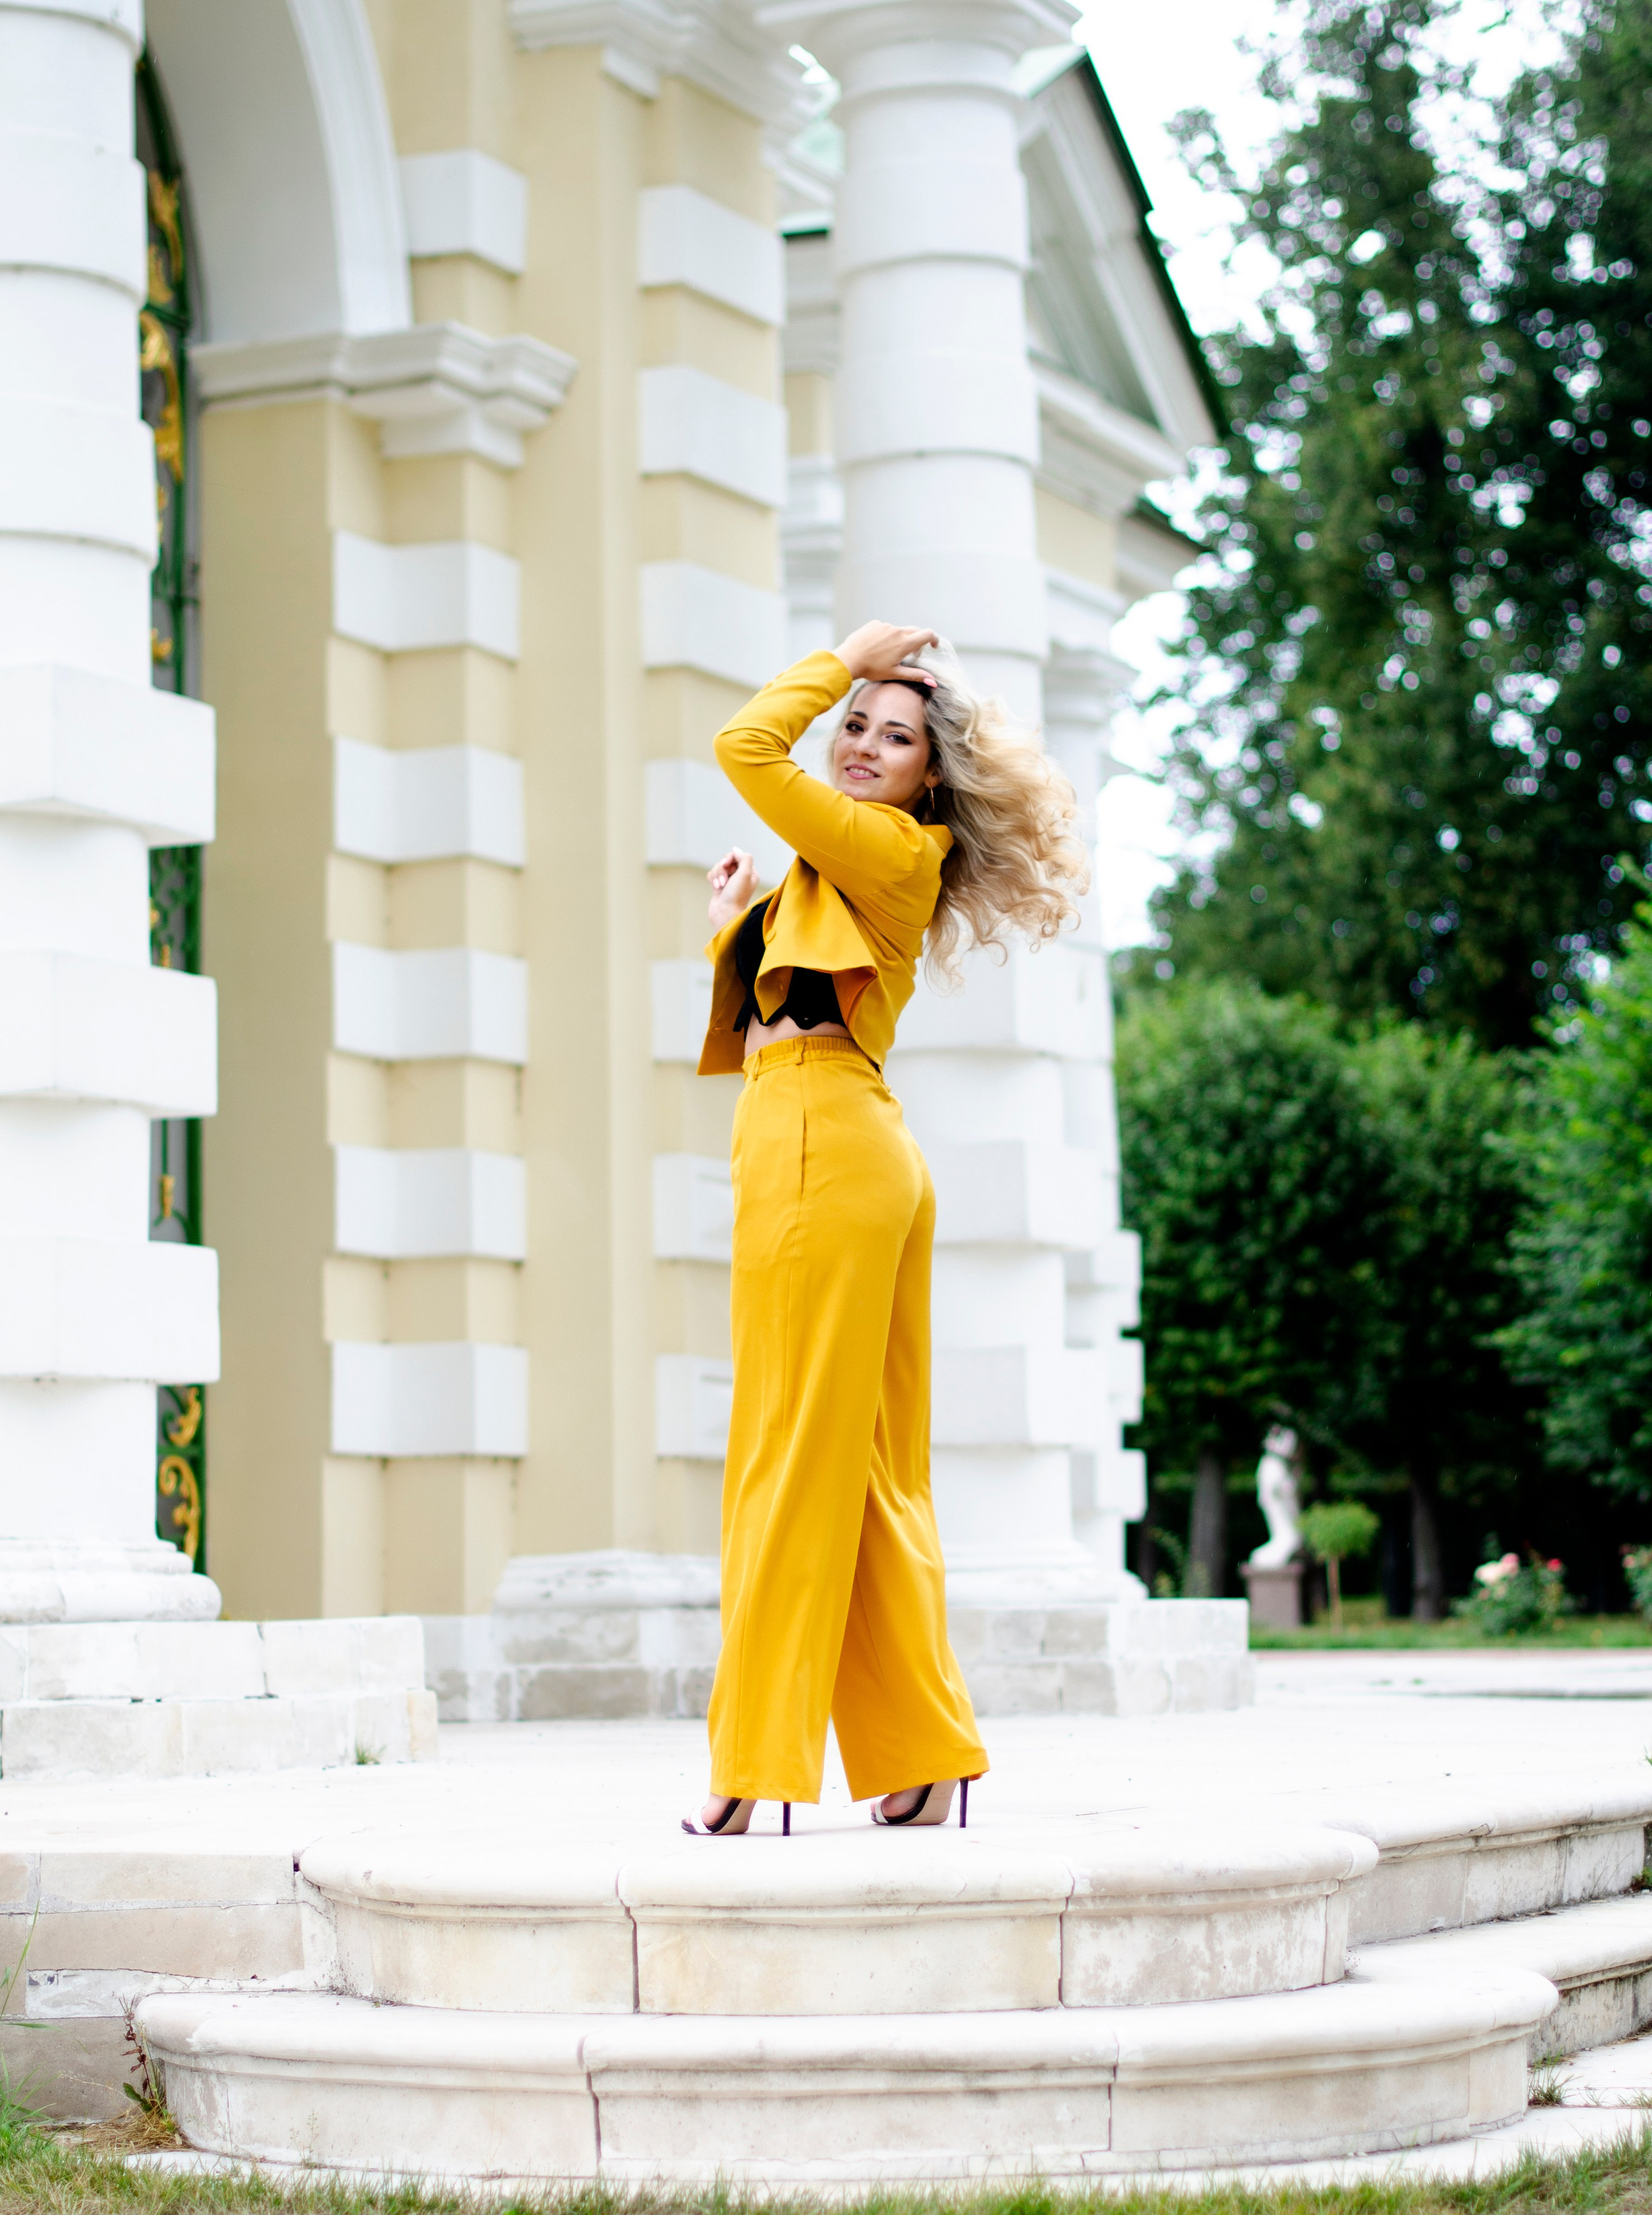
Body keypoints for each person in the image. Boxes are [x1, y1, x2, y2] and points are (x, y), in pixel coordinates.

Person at [681, 622, 1088, 1837]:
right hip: (840, 1137)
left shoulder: (890, 849)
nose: (860, 744)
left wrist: (835, 659)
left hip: (821, 1141)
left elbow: (744, 747)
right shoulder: (849, 867)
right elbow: (792, 1007)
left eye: (890, 734)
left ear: (929, 773)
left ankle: (754, 1767)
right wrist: (734, 924)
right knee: (861, 1467)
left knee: (783, 1457)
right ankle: (922, 1753)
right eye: (856, 723)